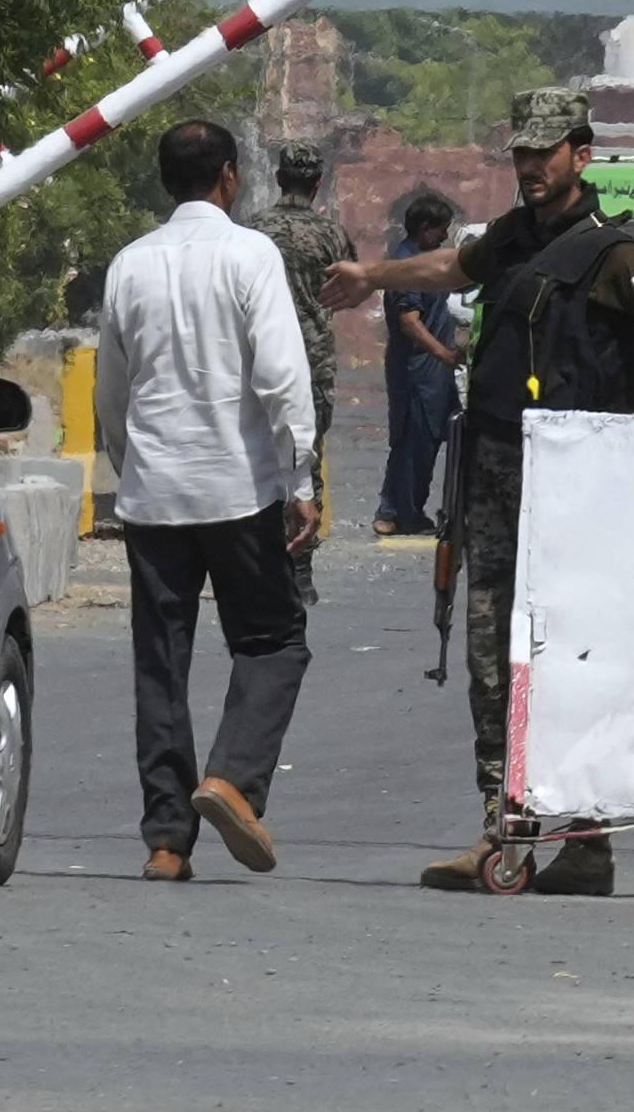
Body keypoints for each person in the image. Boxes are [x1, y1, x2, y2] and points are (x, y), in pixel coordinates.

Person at [324, 86, 634, 896]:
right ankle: (507, 827)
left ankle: (583, 839)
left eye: (546, 152)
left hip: (579, 488)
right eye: (522, 154)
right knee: (491, 655)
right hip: (498, 473)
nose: (532, 167)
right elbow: (449, 264)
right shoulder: (512, 237)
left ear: (583, 153)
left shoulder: (612, 253)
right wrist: (371, 275)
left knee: (574, 659)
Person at [95, 118, 320, 883]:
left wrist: (131, 470)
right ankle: (232, 779)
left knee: (160, 662)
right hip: (238, 487)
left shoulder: (129, 265)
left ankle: (166, 838)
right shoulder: (250, 254)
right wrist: (302, 479)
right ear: (229, 176)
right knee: (273, 641)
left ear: (165, 180)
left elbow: (111, 391)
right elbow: (283, 379)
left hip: (154, 494)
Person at [248, 140, 357, 603]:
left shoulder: (253, 231)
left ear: (278, 178)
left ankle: (258, 566)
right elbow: (353, 285)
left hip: (254, 358)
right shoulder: (331, 234)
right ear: (317, 183)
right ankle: (301, 571)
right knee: (305, 455)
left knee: (254, 454)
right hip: (311, 360)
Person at [376, 193, 462, 536]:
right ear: (425, 228)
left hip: (432, 373)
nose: (444, 236)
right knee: (412, 440)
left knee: (426, 440)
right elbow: (410, 322)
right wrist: (444, 354)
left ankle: (407, 510)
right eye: (440, 230)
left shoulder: (424, 261)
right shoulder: (407, 265)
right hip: (416, 370)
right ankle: (396, 511)